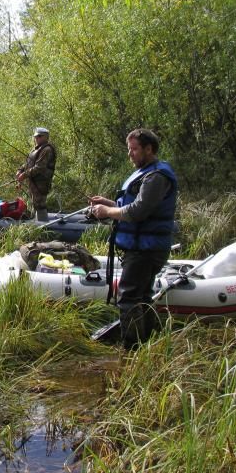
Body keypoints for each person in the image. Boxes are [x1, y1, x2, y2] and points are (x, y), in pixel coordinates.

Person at [89, 128, 178, 347]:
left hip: (146, 250)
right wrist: (111, 204)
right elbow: (134, 205)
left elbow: (138, 211)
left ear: (149, 149)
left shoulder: (156, 176)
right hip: (142, 247)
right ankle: (148, 342)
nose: (130, 154)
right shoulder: (147, 173)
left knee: (128, 297)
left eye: (134, 149)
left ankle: (131, 348)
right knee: (142, 296)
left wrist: (107, 212)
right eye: (129, 149)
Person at [16, 127, 57, 222]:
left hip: (41, 183)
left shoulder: (47, 150)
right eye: (35, 137)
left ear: (46, 137)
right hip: (33, 182)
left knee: (40, 204)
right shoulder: (36, 149)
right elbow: (28, 163)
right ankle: (38, 222)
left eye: (39, 136)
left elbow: (39, 167)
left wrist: (24, 175)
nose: (36, 138)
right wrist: (20, 170)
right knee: (34, 203)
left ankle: (43, 226)